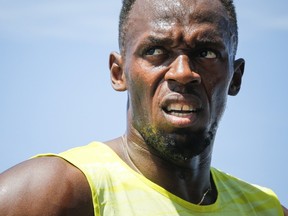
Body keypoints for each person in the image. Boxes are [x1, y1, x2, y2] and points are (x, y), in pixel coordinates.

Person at [0, 0, 287, 215]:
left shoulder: (267, 209)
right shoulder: (52, 194)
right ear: (118, 72)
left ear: (235, 78)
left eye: (206, 53)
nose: (183, 73)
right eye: (155, 51)